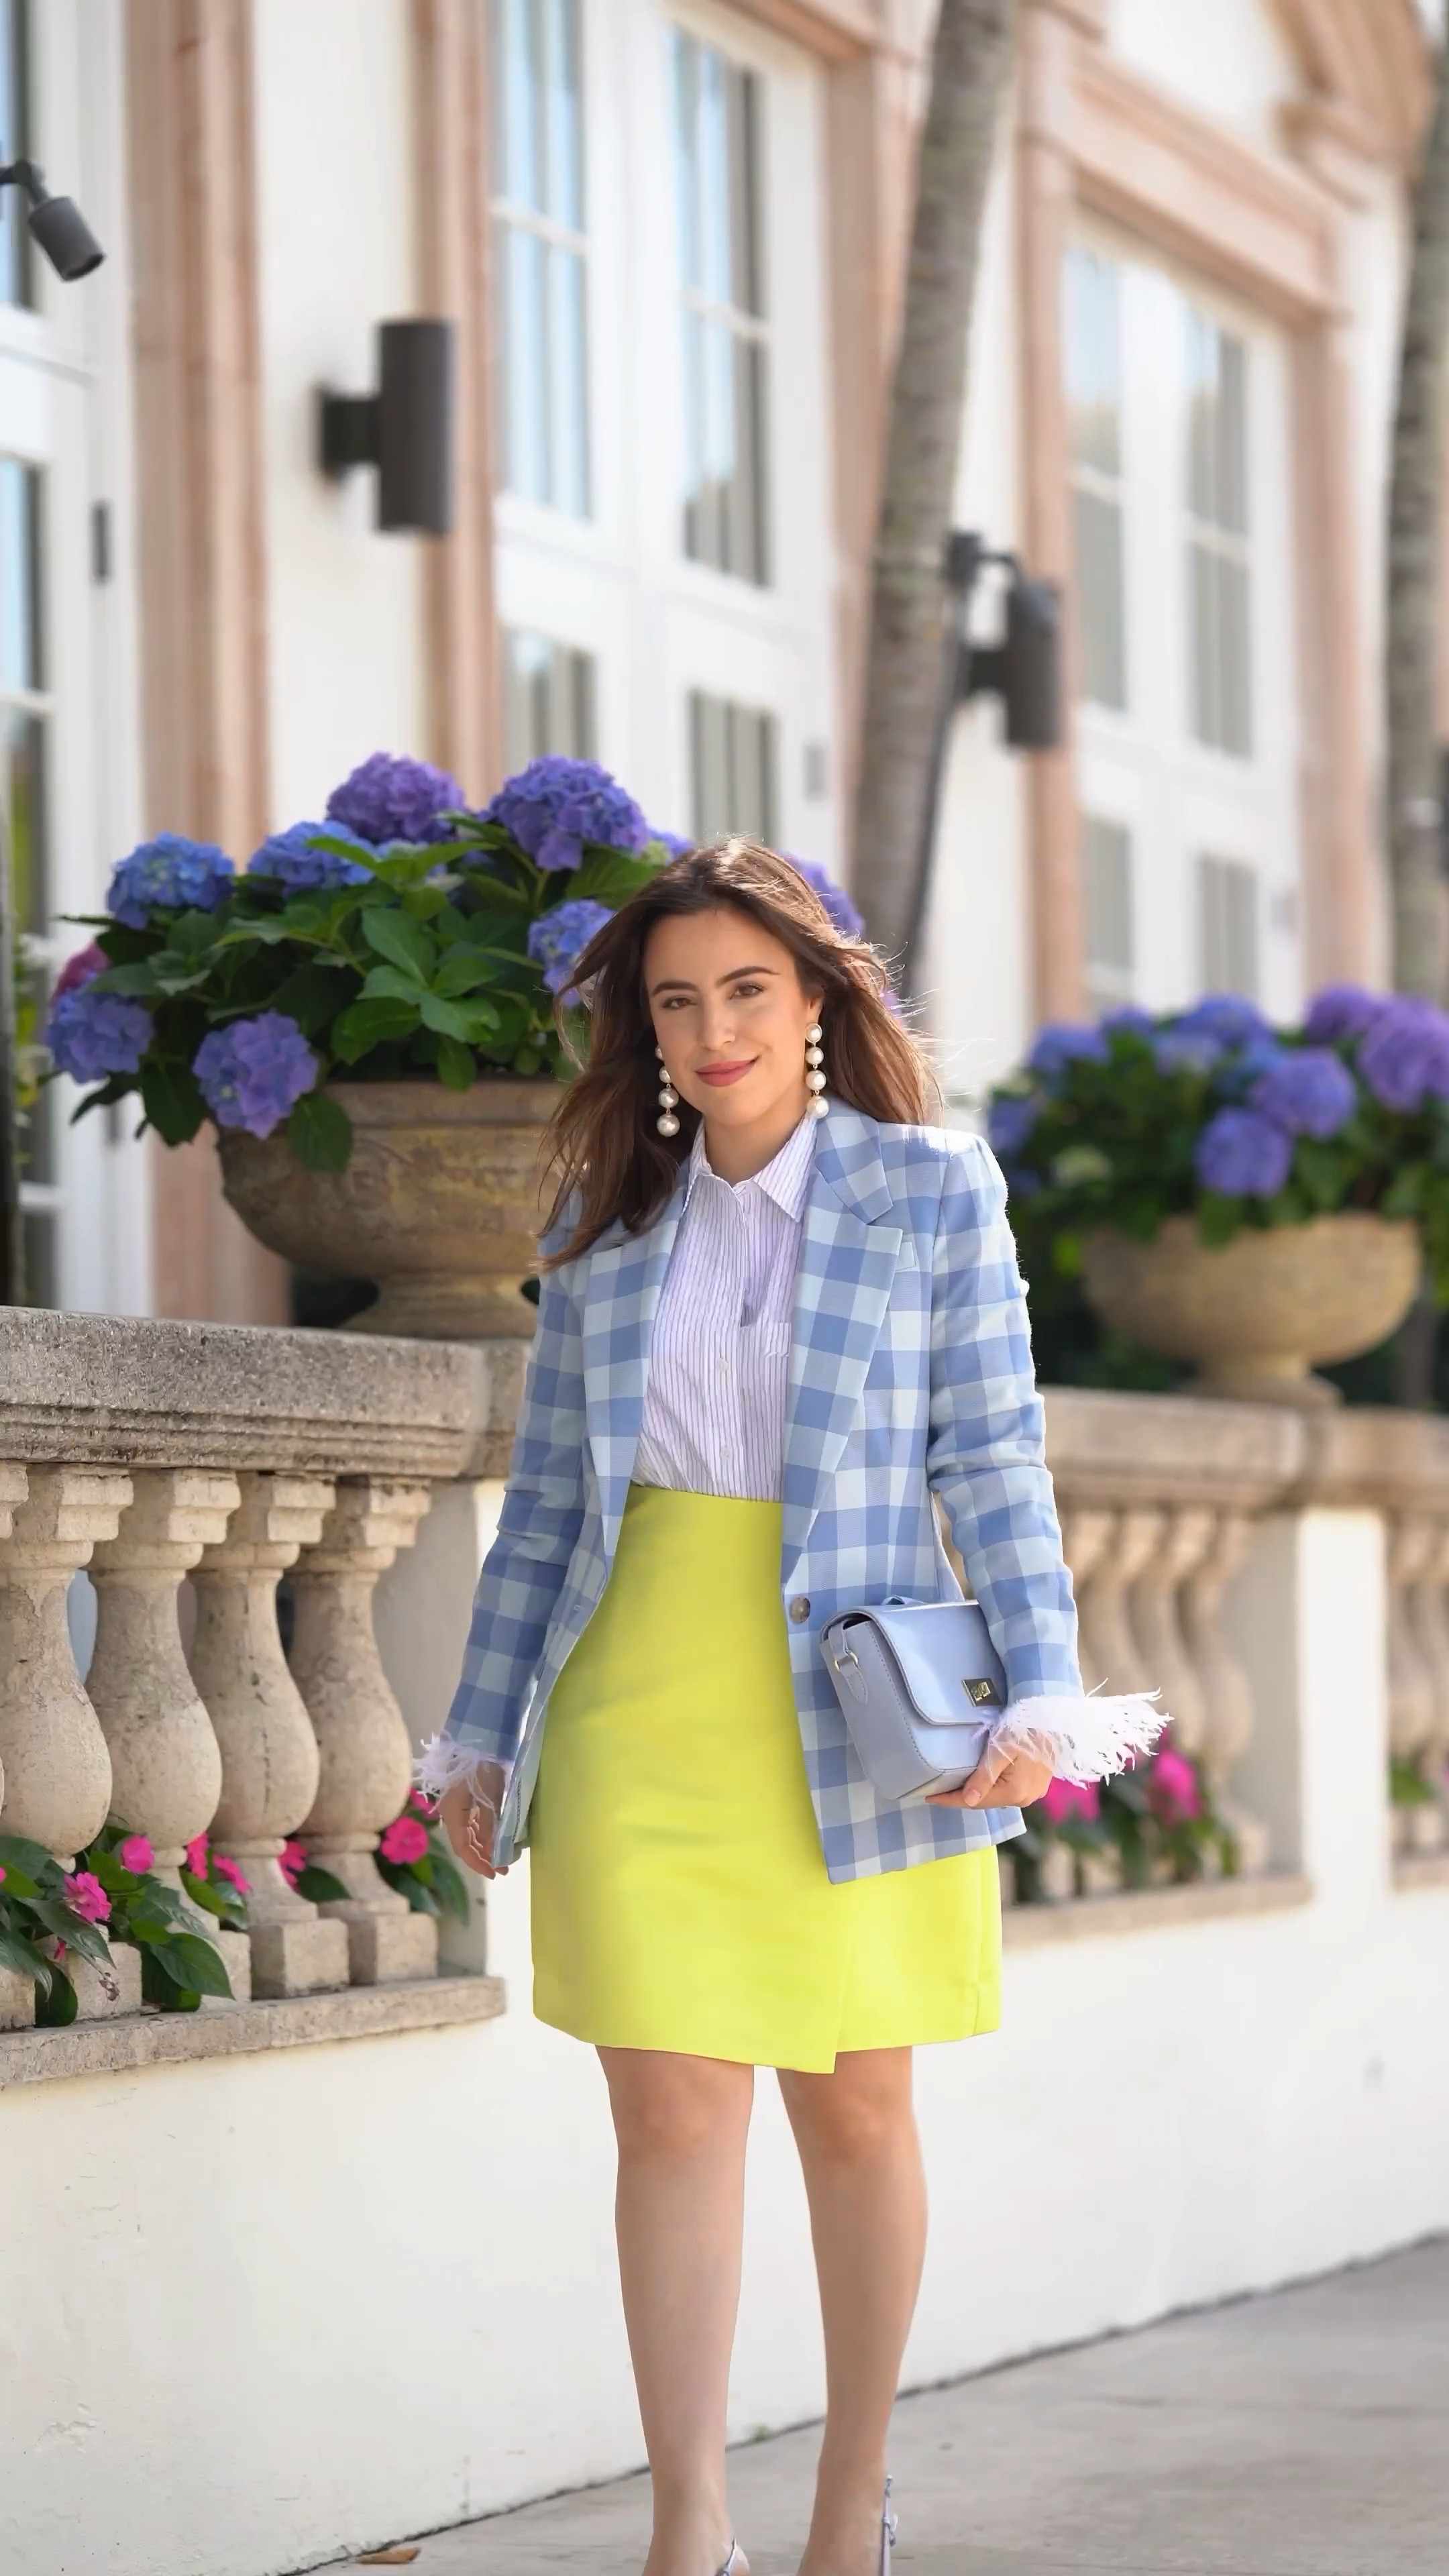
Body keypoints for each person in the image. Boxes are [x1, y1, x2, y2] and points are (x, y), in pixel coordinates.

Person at [420, 841, 1159, 2576]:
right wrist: (479, 1728)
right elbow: (545, 1506)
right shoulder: (601, 1233)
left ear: (817, 999)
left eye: (746, 989)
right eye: (676, 1001)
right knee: (668, 2108)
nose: (711, 1028)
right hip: (639, 1699)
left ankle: (847, 2515)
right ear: (647, 1034)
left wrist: (1040, 1681)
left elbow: (993, 1456)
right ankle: (692, 2529)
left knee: (854, 2103)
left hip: (858, 1701)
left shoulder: (931, 1194)